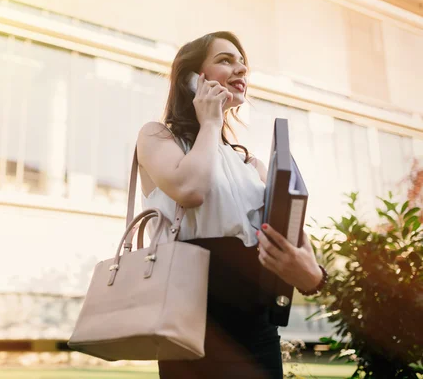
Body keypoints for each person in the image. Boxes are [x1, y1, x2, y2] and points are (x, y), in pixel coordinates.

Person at [136, 31, 326, 378]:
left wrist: (312, 276)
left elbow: (296, 243)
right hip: (189, 326)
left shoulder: (253, 166)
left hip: (256, 331)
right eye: (225, 60)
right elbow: (190, 189)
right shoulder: (157, 137)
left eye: (242, 62)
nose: (240, 69)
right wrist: (210, 121)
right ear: (193, 78)